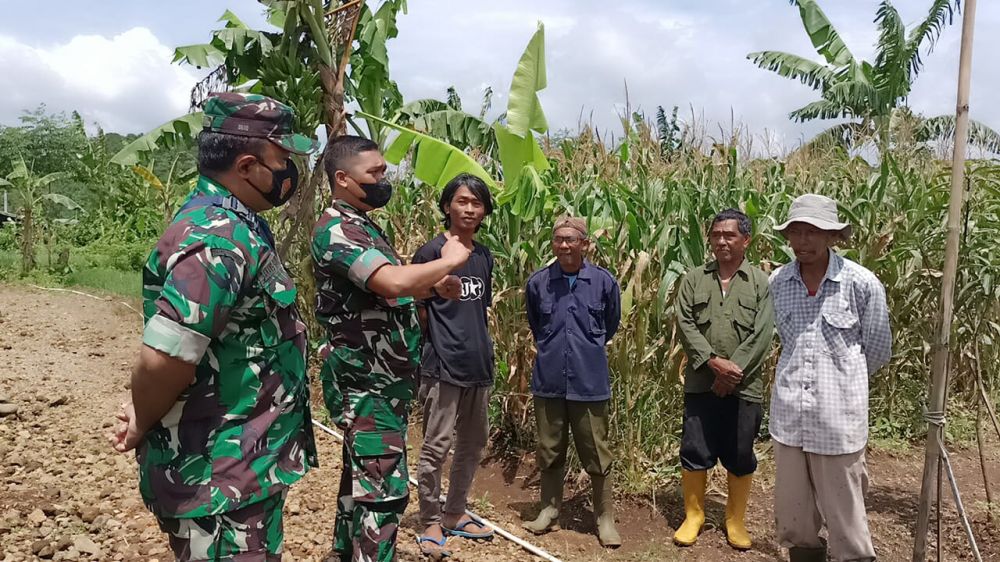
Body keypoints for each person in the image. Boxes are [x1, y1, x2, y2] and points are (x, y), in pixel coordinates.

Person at [109, 92, 319, 561]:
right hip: (217, 476)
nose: (291, 170)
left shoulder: (238, 223)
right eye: (283, 158)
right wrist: (142, 416)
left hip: (242, 466)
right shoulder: (217, 238)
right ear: (247, 166)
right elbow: (162, 360)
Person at [311, 135, 471, 562]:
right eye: (375, 172)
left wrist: (433, 286)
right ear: (343, 179)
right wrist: (449, 259)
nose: (384, 179)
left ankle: (345, 553)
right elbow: (392, 282)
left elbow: (383, 289)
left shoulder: (361, 225)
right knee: (382, 490)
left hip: (380, 378)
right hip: (367, 381)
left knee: (361, 479)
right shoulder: (338, 229)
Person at [769, 194, 891, 562]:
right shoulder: (778, 282)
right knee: (795, 518)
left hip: (836, 422)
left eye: (812, 232)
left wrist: (840, 383)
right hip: (790, 418)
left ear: (832, 236)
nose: (802, 241)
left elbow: (877, 350)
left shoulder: (861, 283)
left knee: (846, 520)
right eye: (796, 232)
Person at [673, 208, 774, 550]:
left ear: (746, 240)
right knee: (694, 449)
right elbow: (685, 324)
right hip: (701, 384)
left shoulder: (760, 283)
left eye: (729, 235)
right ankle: (694, 516)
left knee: (740, 453)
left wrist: (732, 374)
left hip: (745, 388)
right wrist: (713, 363)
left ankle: (735, 520)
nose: (721, 241)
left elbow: (762, 335)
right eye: (716, 235)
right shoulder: (694, 279)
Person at [522, 216, 622, 548]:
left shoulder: (603, 282)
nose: (564, 245)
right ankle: (549, 510)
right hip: (549, 380)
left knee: (596, 451)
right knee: (549, 449)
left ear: (585, 244)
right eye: (558, 239)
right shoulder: (539, 283)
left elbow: (611, 323)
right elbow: (536, 324)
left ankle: (604, 518)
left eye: (571, 239)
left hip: (589, 381)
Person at [412, 173, 497, 556]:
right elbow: (419, 311)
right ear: (447, 206)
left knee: (473, 443)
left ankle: (454, 512)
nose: (469, 209)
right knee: (436, 446)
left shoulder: (483, 256)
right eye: (462, 201)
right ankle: (429, 519)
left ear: (484, 211)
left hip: (478, 364)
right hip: (443, 365)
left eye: (477, 203)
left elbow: (479, 311)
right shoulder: (431, 253)